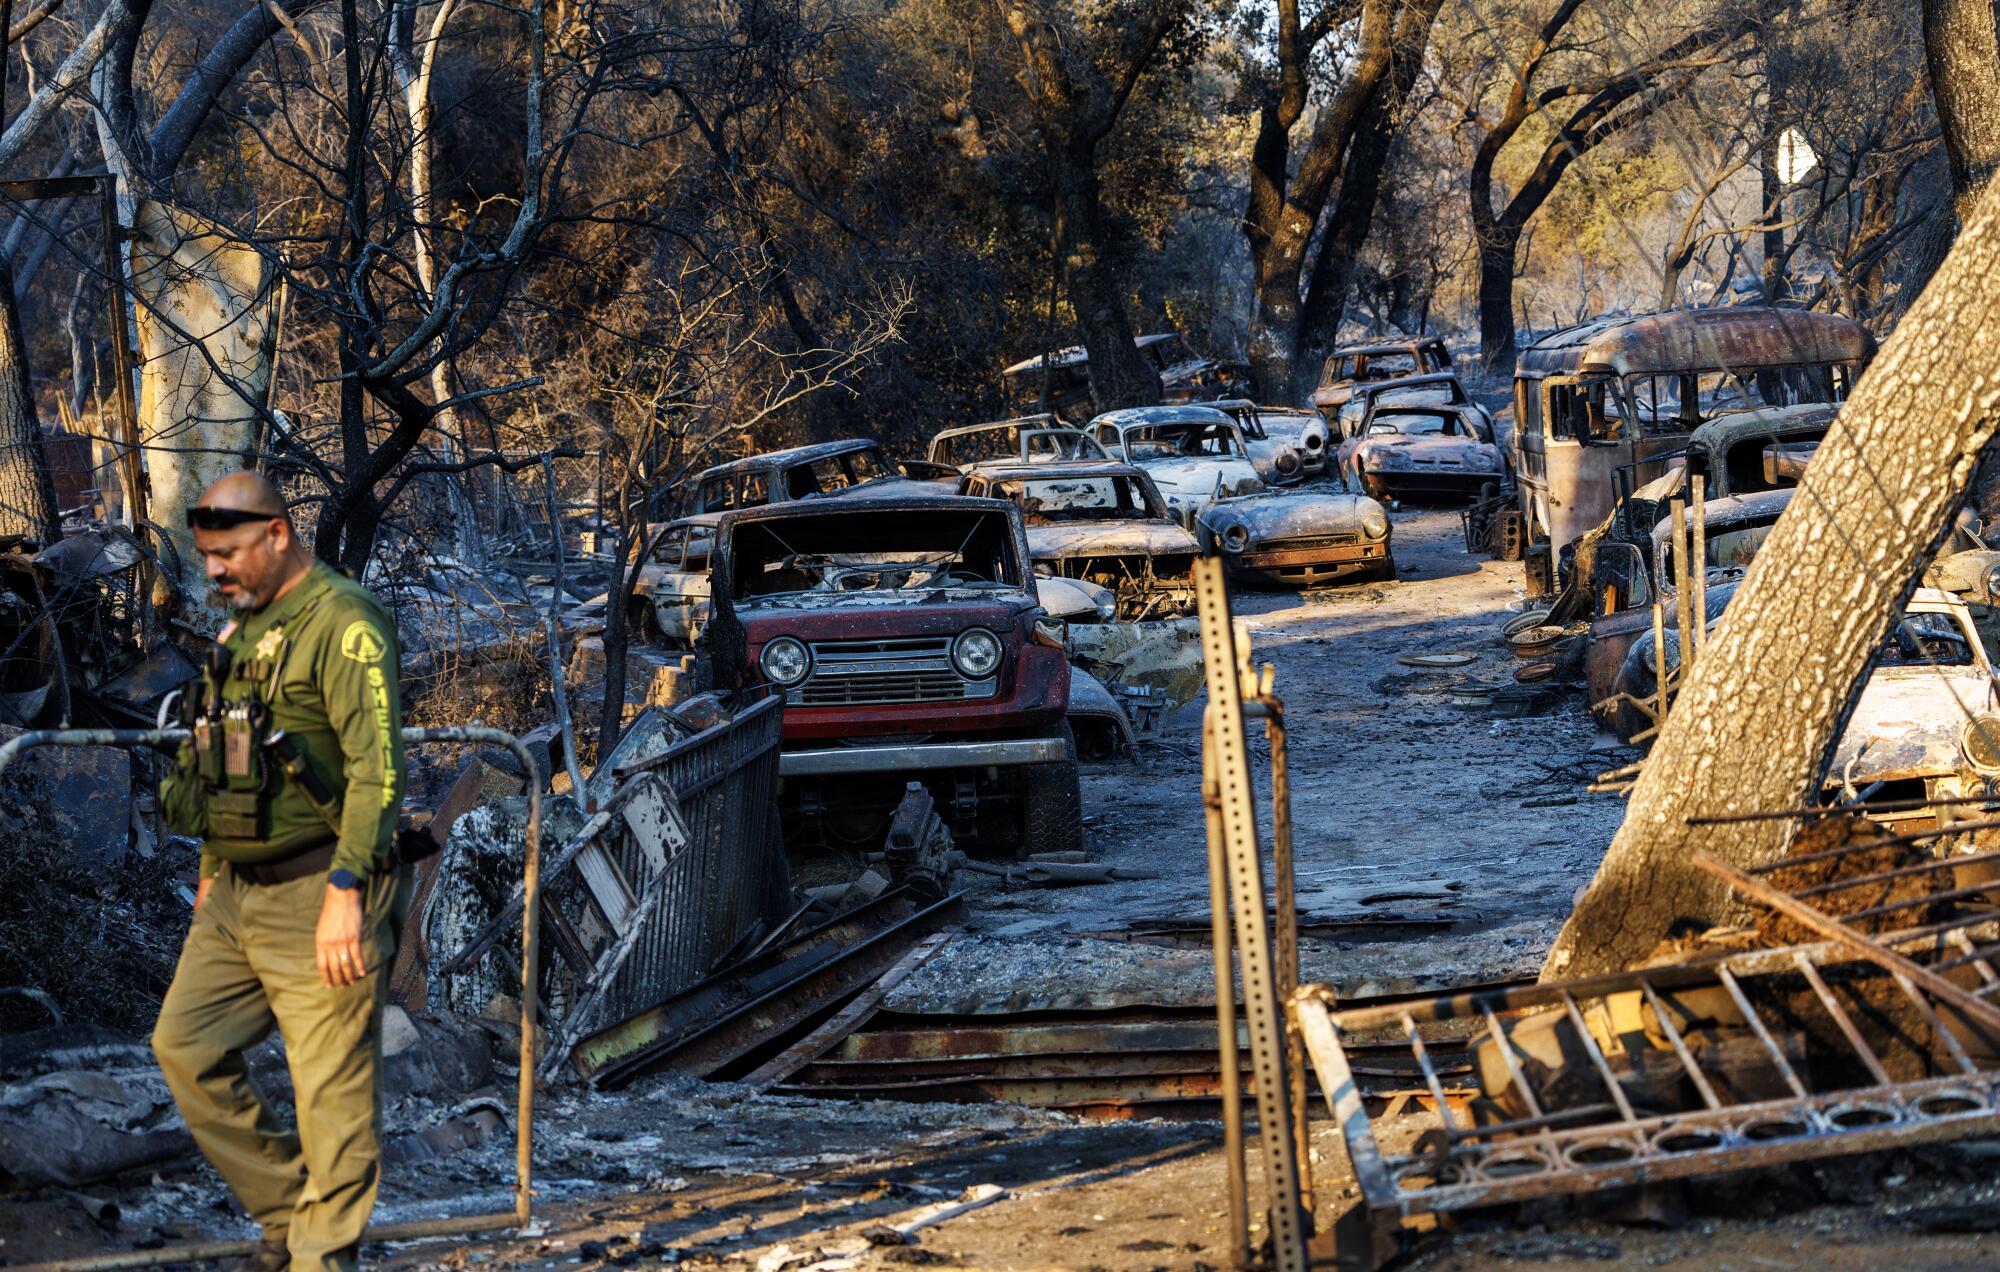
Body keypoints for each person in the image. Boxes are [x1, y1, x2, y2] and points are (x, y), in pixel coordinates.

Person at [151, 471, 408, 1272]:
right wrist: (209, 865)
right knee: (185, 1048)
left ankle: (318, 1256)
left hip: (319, 890)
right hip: (233, 894)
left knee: (330, 1097)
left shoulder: (344, 624)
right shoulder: (247, 630)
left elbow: (380, 773)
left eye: (229, 553)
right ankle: (292, 1216)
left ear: (277, 534)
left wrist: (346, 891)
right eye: (207, 557)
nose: (216, 572)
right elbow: (223, 761)